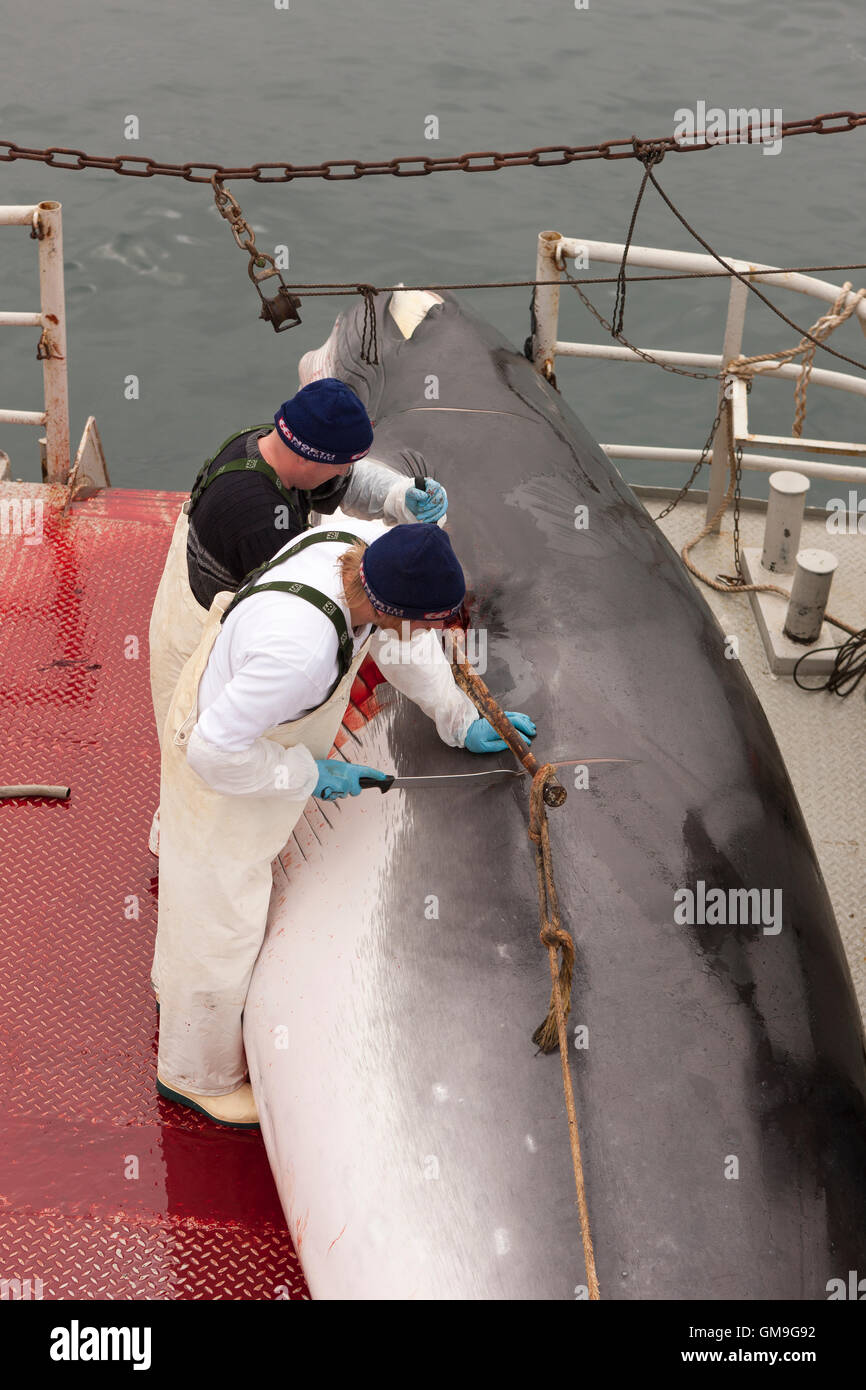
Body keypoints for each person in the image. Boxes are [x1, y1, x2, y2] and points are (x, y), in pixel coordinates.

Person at [152, 521, 537, 1127]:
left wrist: (459, 718)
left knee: (206, 908)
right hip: (221, 765)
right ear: (394, 608)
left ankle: (173, 989)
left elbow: (400, 645)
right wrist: (308, 773)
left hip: (242, 709)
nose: (437, 635)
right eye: (432, 623)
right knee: (221, 918)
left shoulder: (352, 548)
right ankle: (195, 1075)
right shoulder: (301, 655)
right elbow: (213, 754)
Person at [147, 376, 446, 850]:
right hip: (200, 632)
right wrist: (306, 774)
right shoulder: (258, 522)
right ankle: (177, 839)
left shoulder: (268, 445)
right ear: (309, 458)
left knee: (217, 754)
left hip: (208, 584)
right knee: (200, 761)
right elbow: (215, 750)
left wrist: (395, 494)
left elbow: (345, 481)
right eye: (341, 464)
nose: (346, 474)